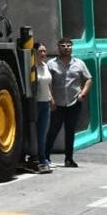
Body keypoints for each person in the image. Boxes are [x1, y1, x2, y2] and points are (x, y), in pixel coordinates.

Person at [45, 37, 92, 168]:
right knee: (53, 130)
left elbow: (88, 79)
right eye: (63, 46)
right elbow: (47, 82)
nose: (66, 48)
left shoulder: (79, 63)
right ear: (58, 48)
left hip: (74, 103)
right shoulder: (51, 64)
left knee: (70, 131)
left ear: (72, 48)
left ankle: (69, 159)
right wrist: (51, 99)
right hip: (57, 103)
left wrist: (83, 93)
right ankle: (45, 157)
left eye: (69, 46)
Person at [31, 42, 54, 173]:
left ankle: (43, 157)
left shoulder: (46, 66)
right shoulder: (32, 68)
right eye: (40, 51)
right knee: (34, 133)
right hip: (36, 104)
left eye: (45, 51)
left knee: (42, 133)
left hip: (46, 103)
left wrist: (52, 99)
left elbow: (49, 85)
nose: (43, 54)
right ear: (34, 53)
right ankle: (37, 158)